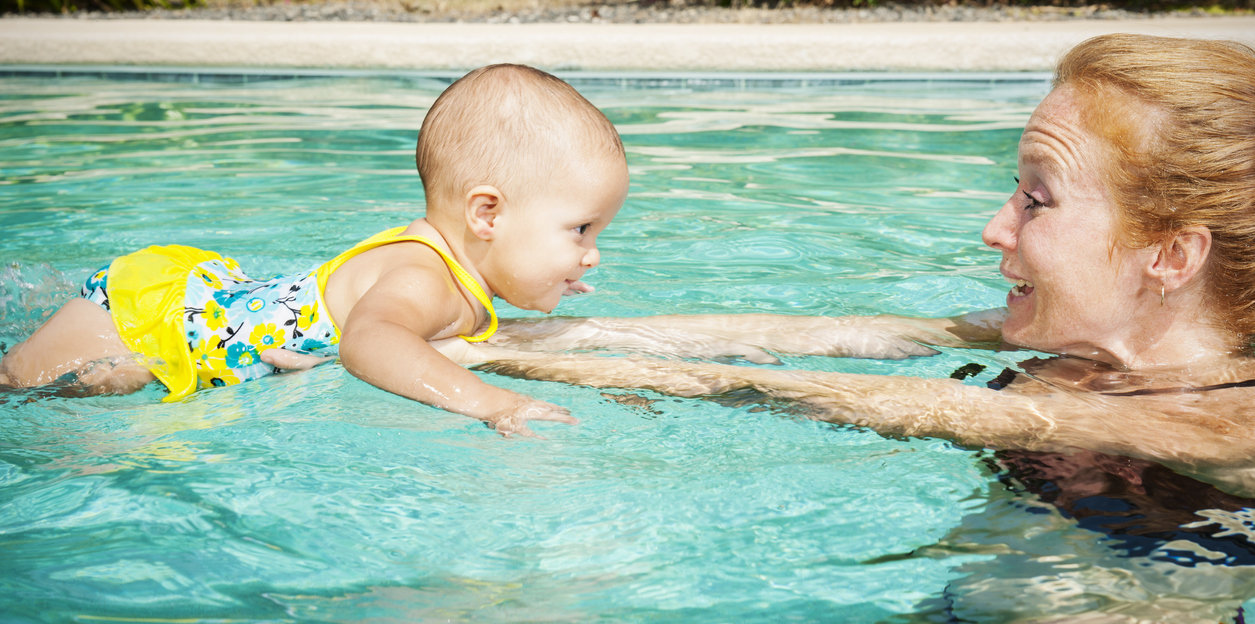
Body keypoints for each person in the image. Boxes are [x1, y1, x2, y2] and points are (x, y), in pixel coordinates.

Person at [444, 34, 1255, 495]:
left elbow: (885, 403)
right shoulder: (1073, 348)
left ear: (1170, 256)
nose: (993, 228)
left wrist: (495, 368)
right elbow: (820, 337)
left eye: (1036, 201)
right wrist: (496, 336)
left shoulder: (1224, 421)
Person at [0, 63, 630, 436]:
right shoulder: (423, 278)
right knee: (24, 386)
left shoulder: (453, 270)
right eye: (579, 231)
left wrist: (548, 275)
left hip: (202, 307)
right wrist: (494, 403)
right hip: (149, 321)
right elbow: (369, 344)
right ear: (486, 213)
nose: (593, 253)